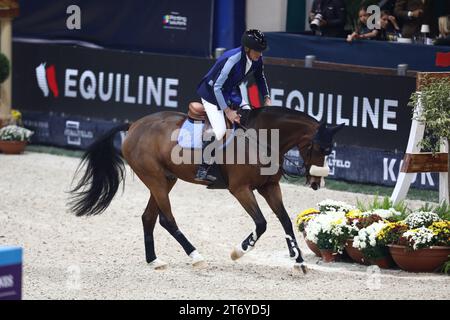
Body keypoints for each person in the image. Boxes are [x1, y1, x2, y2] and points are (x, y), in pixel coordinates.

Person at [195, 29, 272, 182]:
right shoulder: (232, 59)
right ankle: (202, 168)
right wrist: (228, 111)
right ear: (247, 49)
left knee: (251, 117)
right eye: (258, 51)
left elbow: (260, 78)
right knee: (221, 131)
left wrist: (267, 96)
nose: (260, 54)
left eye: (262, 51)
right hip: (211, 94)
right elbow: (217, 87)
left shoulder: (257, 59)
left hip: (230, 91)